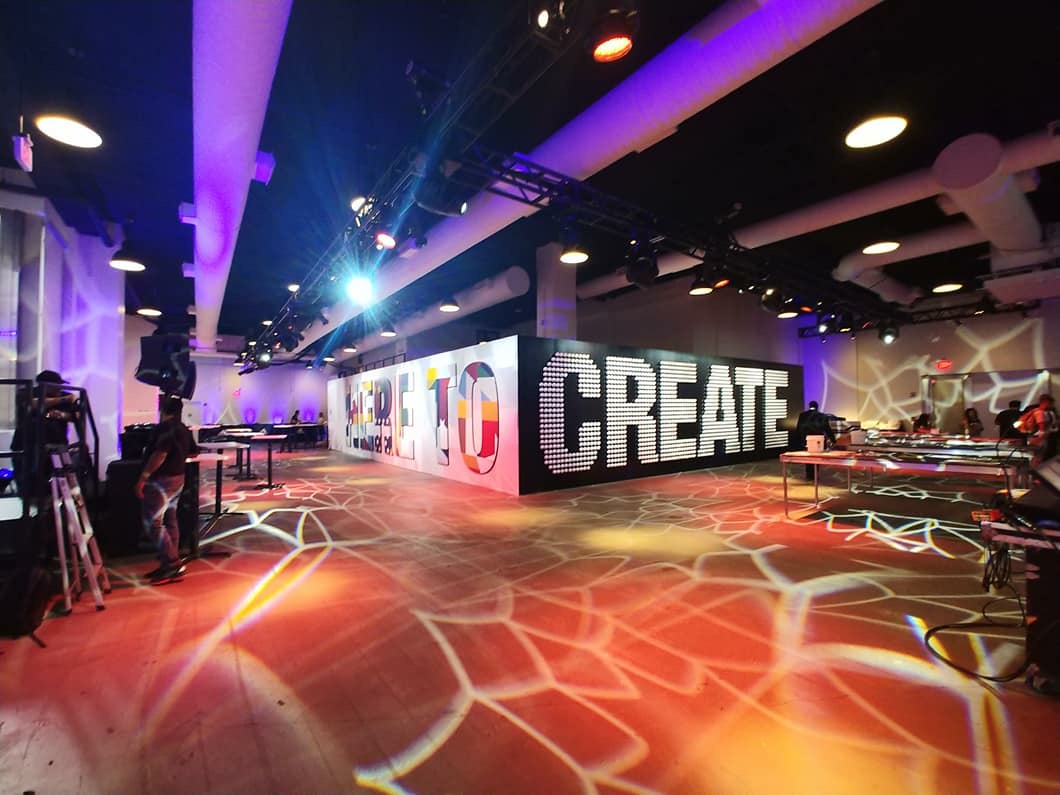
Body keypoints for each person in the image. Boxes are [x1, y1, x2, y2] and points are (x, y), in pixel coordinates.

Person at [136, 396, 195, 583]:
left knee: (153, 523)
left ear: (163, 410)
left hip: (161, 480)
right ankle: (168, 562)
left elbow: (160, 454)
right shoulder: (183, 428)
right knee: (170, 520)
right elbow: (194, 451)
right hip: (178, 478)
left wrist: (143, 477)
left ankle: (172, 564)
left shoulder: (165, 428)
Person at [794, 401, 836, 479]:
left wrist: (798, 441)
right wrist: (833, 440)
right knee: (816, 457)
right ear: (817, 406)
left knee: (808, 457)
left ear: (809, 406)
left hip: (806, 440)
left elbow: (799, 428)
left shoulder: (802, 415)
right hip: (818, 440)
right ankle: (815, 474)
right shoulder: (822, 416)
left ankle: (809, 475)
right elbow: (827, 429)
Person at [1016, 394, 1059, 466]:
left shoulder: (1044, 412)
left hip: (1037, 438)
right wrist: (1043, 436)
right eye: (1051, 403)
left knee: (1037, 456)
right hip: (1039, 438)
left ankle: (1035, 469)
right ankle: (1035, 470)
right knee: (1038, 457)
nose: (1052, 405)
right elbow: (1042, 428)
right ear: (1045, 402)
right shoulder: (1039, 412)